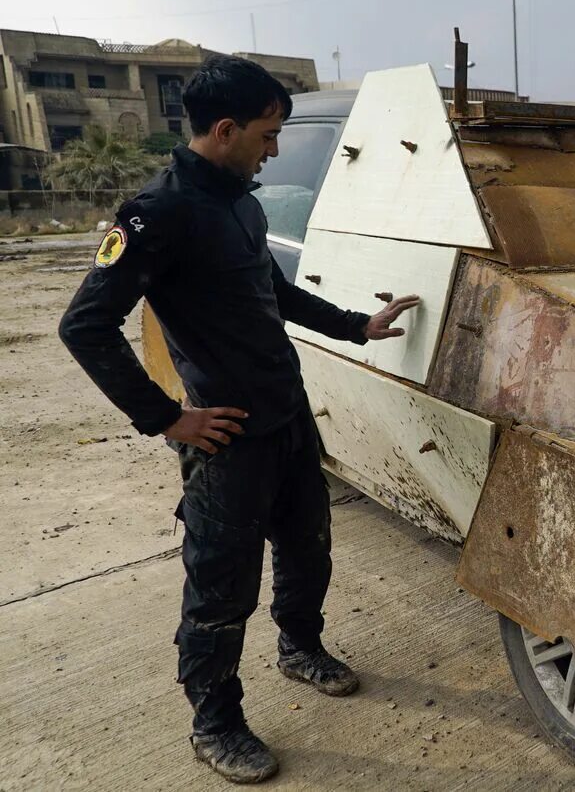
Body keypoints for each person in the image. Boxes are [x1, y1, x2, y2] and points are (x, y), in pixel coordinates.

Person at [59, 54, 419, 784]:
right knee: (222, 590)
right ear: (224, 130)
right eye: (267, 133)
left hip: (286, 420)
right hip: (225, 441)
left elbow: (274, 293)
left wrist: (358, 325)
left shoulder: (242, 200)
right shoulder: (154, 214)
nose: (275, 148)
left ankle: (300, 647)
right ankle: (214, 721)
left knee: (307, 552)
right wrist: (168, 418)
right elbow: (85, 325)